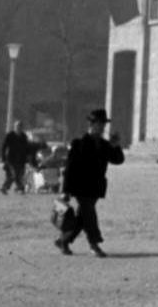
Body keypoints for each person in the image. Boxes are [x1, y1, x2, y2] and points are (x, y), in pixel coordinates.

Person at [56, 108, 124, 257]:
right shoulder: (79, 143)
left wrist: (116, 145)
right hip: (80, 187)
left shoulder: (105, 145)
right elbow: (70, 167)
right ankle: (94, 244)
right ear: (91, 124)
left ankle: (64, 240)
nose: (102, 127)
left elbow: (118, 160)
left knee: (82, 217)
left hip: (96, 188)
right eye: (99, 124)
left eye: (103, 124)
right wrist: (65, 190)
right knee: (89, 213)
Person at [0, 120, 32, 194]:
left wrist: (29, 157)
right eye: (17, 126)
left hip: (21, 159)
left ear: (22, 127)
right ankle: (20, 188)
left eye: (20, 126)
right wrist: (3, 157)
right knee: (14, 174)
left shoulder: (23, 136)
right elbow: (4, 147)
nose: (18, 128)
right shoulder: (10, 135)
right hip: (11, 159)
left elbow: (27, 147)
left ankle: (6, 188)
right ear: (14, 127)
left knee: (20, 174)